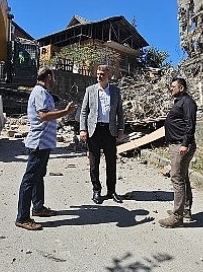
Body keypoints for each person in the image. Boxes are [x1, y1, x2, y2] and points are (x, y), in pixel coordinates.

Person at [15, 67, 76, 231]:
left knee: (38, 176)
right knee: (29, 180)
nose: (54, 80)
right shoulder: (40, 92)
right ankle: (22, 217)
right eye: (53, 77)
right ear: (48, 76)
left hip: (44, 143)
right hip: (39, 143)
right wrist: (65, 112)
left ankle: (38, 207)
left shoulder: (43, 92)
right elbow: (43, 116)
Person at [79, 64, 125, 204]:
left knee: (111, 163)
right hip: (94, 131)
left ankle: (111, 191)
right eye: (98, 74)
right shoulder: (90, 90)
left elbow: (120, 113)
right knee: (94, 163)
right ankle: (96, 190)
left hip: (110, 131)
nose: (99, 76)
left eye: (102, 74)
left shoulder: (115, 91)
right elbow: (84, 112)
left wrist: (121, 129)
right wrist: (82, 129)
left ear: (108, 76)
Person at [159, 77, 197, 228]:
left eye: (173, 87)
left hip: (180, 146)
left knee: (177, 179)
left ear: (181, 88)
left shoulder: (188, 102)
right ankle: (185, 210)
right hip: (177, 144)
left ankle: (177, 217)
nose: (171, 89)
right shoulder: (180, 102)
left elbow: (190, 123)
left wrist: (184, 143)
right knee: (183, 177)